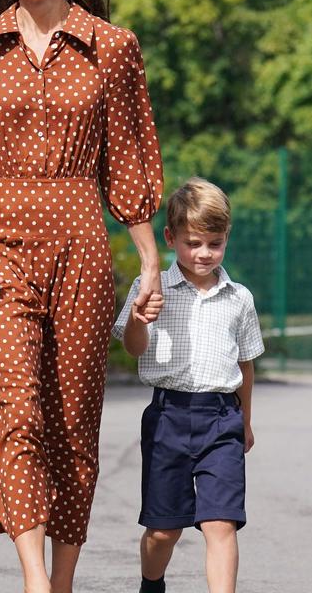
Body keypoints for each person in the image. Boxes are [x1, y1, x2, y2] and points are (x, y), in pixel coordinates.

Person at [0, 0, 164, 593]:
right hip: (0, 249)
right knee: (19, 409)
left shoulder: (114, 46)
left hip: (81, 248)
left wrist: (151, 263)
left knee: (72, 421)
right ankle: (35, 579)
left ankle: (61, 582)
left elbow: (128, 161)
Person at [112, 178, 262, 593]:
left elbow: (245, 366)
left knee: (221, 524)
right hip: (168, 418)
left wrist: (245, 423)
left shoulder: (239, 298)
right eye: (193, 242)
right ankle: (151, 583)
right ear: (170, 237)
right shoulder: (150, 288)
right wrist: (142, 319)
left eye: (215, 243)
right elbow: (131, 347)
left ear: (226, 238)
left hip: (221, 420)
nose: (204, 253)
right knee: (164, 531)